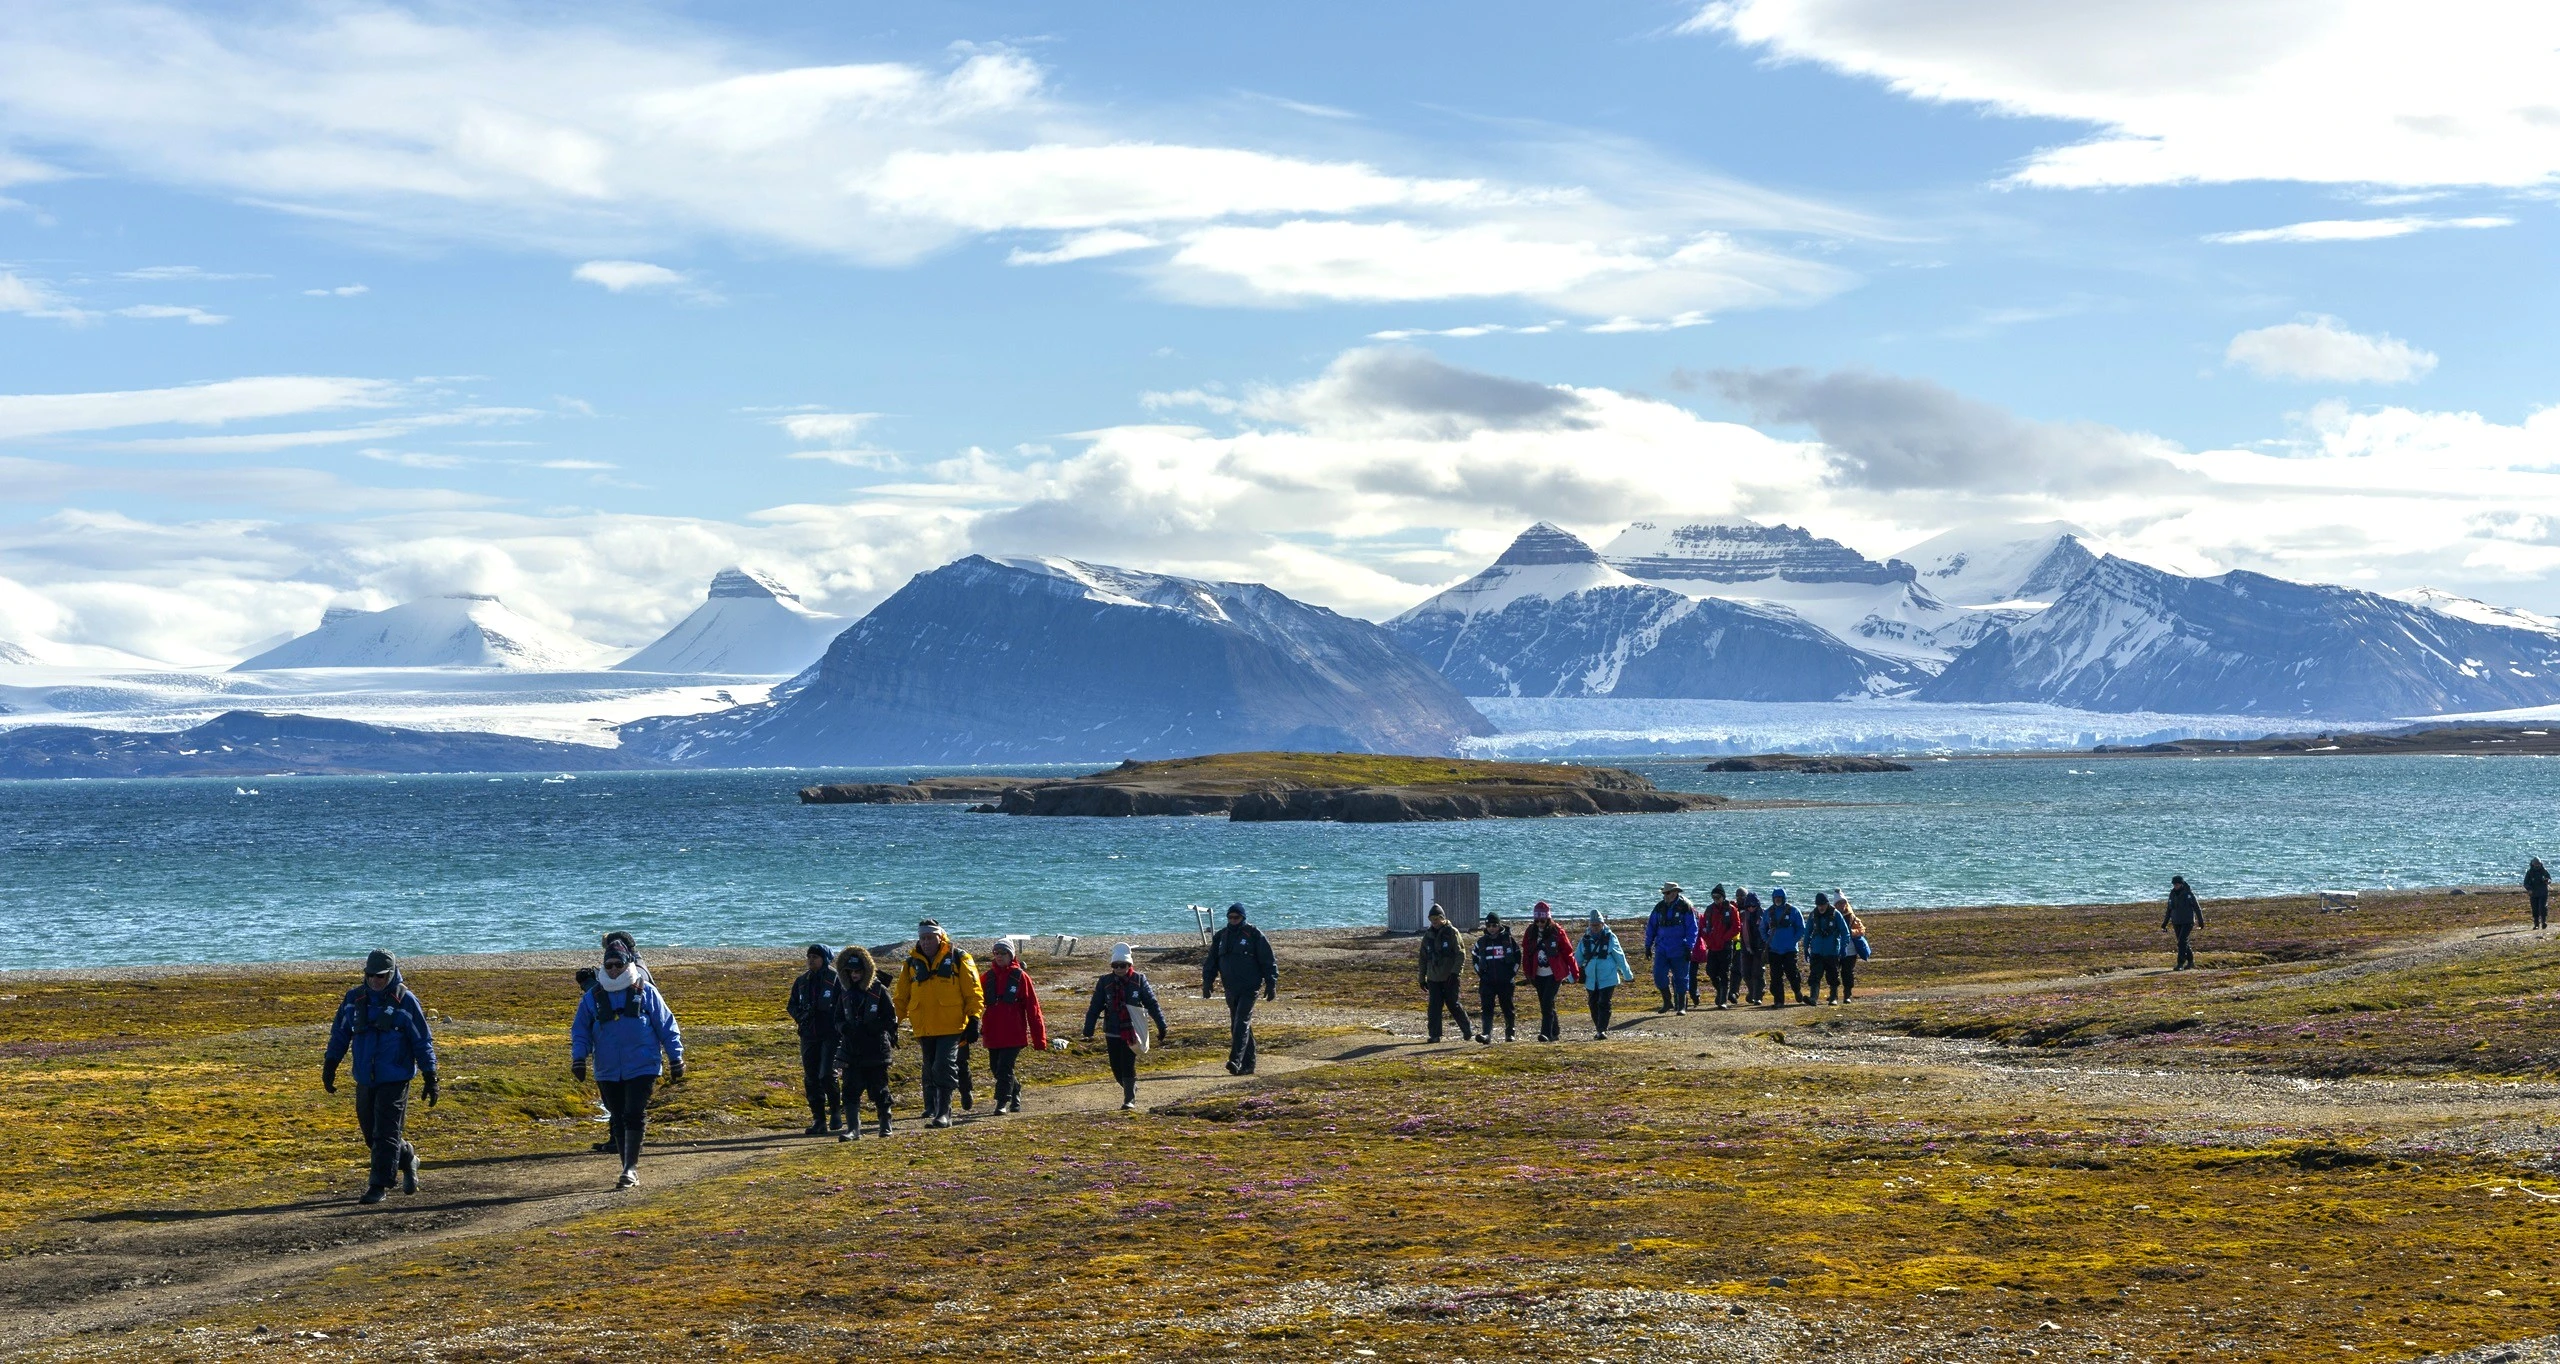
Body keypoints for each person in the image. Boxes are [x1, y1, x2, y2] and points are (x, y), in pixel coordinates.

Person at [323, 949, 438, 1205]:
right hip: (365, 1077)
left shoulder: (407, 1001)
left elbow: (422, 1041)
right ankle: (407, 1157)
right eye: (370, 975)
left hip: (395, 1077)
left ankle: (379, 1186)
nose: (375, 980)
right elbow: (340, 1034)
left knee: (385, 1134)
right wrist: (330, 1065)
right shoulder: (354, 999)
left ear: (392, 974)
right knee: (371, 1134)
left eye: (381, 976)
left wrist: (431, 1076)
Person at [571, 941, 683, 1189]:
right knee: (618, 1114)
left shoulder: (646, 991)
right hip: (607, 1068)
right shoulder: (592, 997)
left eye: (618, 965)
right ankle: (626, 1166)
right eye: (608, 965)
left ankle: (630, 1169)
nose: (612, 970)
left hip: (643, 1065)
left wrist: (676, 1057)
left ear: (627, 964)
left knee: (634, 1114)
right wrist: (579, 1058)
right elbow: (580, 1031)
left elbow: (666, 1025)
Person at [893, 919, 984, 1129]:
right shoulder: (910, 964)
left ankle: (944, 1113)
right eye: (922, 938)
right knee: (930, 1068)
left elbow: (973, 991)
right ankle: (934, 1107)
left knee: (943, 1065)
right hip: (923, 1027)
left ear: (940, 937)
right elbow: (901, 998)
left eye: (929, 938)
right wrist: (893, 1024)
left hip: (951, 1026)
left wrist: (974, 1019)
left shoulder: (959, 958)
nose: (925, 942)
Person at [1082, 944, 1168, 1110]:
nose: (1119, 969)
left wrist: (1161, 1025)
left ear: (1129, 965)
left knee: (1128, 1064)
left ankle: (1129, 1100)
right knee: (1116, 1067)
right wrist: (1088, 1028)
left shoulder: (1139, 980)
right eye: (1115, 966)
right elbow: (1095, 1006)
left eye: (1123, 965)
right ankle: (1131, 1088)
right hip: (1112, 1030)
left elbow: (1152, 1003)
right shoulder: (1104, 982)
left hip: (1132, 1030)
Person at [1201, 903, 1278, 1075]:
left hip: (1250, 987)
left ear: (1243, 918)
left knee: (1241, 1021)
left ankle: (1235, 1060)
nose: (1233, 920)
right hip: (1230, 988)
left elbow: (1268, 960)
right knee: (1238, 1024)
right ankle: (1248, 1065)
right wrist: (1207, 982)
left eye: (1236, 917)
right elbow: (1211, 962)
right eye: (1230, 917)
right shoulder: (1221, 936)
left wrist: (1271, 983)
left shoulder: (1253, 934)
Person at [832, 946, 898, 1140]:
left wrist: (874, 1028)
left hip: (876, 1049)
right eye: (851, 971)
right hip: (851, 1049)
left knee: (879, 1089)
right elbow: (837, 1018)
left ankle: (885, 1125)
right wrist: (844, 1028)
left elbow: (890, 1018)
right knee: (850, 1090)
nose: (854, 975)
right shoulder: (844, 993)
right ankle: (853, 1129)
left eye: (858, 971)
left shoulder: (879, 990)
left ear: (865, 971)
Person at [977, 939, 1047, 1115]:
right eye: (996, 953)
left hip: (1014, 1032)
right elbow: (975, 1001)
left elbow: (1033, 1009)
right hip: (993, 1031)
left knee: (1004, 1068)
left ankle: (1001, 1103)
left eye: (1003, 953)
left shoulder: (1021, 977)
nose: (999, 957)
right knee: (996, 1068)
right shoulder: (986, 977)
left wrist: (1039, 1039)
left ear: (1011, 955)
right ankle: (1015, 1090)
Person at [786, 944, 845, 1135]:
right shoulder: (802, 981)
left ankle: (835, 1110)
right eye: (809, 956)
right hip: (808, 1034)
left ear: (825, 958)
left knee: (827, 1074)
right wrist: (800, 1016)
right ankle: (818, 1119)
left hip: (830, 1034)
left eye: (815, 957)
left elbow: (844, 1004)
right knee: (811, 1078)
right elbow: (791, 1005)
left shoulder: (836, 979)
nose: (811, 960)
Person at [1520, 902, 1580, 1042]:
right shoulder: (1530, 932)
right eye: (1537, 921)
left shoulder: (1557, 931)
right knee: (1547, 1003)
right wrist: (1527, 972)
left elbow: (1568, 952)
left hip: (1555, 974)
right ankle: (1555, 1032)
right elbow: (1526, 954)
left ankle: (1545, 1033)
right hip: (1538, 975)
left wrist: (1575, 971)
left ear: (1548, 919)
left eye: (1542, 920)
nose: (1539, 923)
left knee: (1547, 1002)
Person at [1416, 904, 1474, 1043]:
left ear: (1443, 918)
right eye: (1432, 919)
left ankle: (1467, 1030)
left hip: (1449, 977)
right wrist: (1421, 978)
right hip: (1433, 978)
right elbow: (1423, 958)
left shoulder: (1452, 932)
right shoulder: (1428, 936)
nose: (1434, 922)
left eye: (1437, 918)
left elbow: (1461, 954)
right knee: (1434, 1007)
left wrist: (1455, 974)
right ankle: (1435, 1035)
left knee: (1453, 1004)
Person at [1643, 883, 1699, 1017]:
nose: (1665, 896)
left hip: (1680, 947)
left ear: (1674, 892)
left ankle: (1681, 1006)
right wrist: (1647, 945)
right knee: (1658, 974)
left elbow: (1692, 928)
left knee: (1681, 978)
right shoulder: (1659, 907)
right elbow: (1651, 926)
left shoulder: (1686, 907)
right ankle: (1667, 1001)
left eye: (1667, 893)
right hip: (1662, 948)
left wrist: (1689, 947)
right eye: (1664, 893)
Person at [1576, 911, 1634, 1039]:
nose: (1595, 927)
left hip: (1608, 977)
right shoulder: (1584, 939)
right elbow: (1577, 959)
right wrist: (1571, 976)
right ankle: (1599, 1028)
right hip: (1591, 978)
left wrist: (1627, 975)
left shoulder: (1611, 937)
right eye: (1593, 925)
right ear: (1590, 925)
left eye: (1597, 925)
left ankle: (1602, 1030)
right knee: (1593, 1004)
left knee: (1604, 1002)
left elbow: (1620, 957)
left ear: (1603, 924)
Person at [1471, 911, 1519, 1043]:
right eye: (1489, 925)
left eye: (1495, 925)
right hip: (1487, 982)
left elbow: (1517, 957)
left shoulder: (1508, 941)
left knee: (1507, 1007)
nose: (1492, 928)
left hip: (1505, 982)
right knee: (1487, 1008)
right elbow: (1474, 959)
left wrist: (1511, 974)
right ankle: (1486, 1034)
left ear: (1499, 925)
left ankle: (1510, 1033)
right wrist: (1481, 974)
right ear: (1486, 926)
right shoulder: (1481, 942)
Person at [1700, 885, 1744, 1010]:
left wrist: (1725, 938)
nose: (1715, 899)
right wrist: (1708, 939)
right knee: (1711, 971)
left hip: (1727, 946)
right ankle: (1720, 991)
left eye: (1718, 897)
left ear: (1723, 897)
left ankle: (1723, 999)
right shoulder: (1709, 910)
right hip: (1713, 946)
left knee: (1724, 972)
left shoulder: (1731, 910)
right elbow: (1703, 927)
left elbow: (1736, 927)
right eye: (1713, 897)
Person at [1762, 888, 1807, 1007]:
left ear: (1784, 898)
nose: (1777, 900)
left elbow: (1801, 928)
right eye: (1775, 897)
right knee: (1776, 976)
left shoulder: (1793, 911)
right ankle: (1779, 1001)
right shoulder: (1768, 912)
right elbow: (1762, 928)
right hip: (1774, 950)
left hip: (1790, 950)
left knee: (1792, 973)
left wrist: (1793, 941)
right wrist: (1768, 941)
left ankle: (1797, 990)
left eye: (1780, 898)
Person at [1805, 893, 1852, 1005]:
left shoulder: (1836, 915)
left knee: (1833, 976)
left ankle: (1833, 998)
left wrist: (1843, 947)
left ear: (1827, 904)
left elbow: (1845, 933)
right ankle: (1813, 998)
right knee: (1815, 975)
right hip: (1816, 951)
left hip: (1832, 952)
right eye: (1818, 905)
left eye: (1822, 904)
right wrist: (1806, 947)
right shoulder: (1813, 915)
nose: (1820, 907)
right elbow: (1807, 932)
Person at [1735, 888, 1768, 1005]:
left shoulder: (1764, 915)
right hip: (1746, 947)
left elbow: (1768, 931)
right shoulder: (1743, 915)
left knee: (1757, 972)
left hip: (1760, 947)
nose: (1751, 907)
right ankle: (1753, 992)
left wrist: (1765, 946)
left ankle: (1757, 996)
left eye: (1753, 905)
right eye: (1749, 905)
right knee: (1745, 973)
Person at [2164, 875, 2204, 970]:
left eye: (2177, 884)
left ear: (2181, 884)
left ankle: (2180, 963)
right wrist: (2164, 923)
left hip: (2187, 921)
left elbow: (2197, 908)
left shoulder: (2189, 894)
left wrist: (2201, 921)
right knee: (2183, 942)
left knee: (2182, 941)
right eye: (2174, 884)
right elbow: (2169, 909)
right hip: (2176, 921)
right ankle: (2190, 961)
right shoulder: (2172, 894)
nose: (2175, 886)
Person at [1837, 891, 1870, 1001]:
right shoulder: (1831, 915)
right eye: (1839, 903)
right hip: (1835, 949)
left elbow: (1862, 930)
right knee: (1834, 972)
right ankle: (1834, 994)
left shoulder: (1851, 917)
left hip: (1850, 950)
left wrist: (1851, 932)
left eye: (1843, 903)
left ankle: (1847, 994)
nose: (1842, 905)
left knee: (1847, 973)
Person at [2528, 858, 2551, 932]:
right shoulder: (2530, 872)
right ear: (2532, 864)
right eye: (2535, 864)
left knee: (2542, 907)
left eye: (2538, 864)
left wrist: (2547, 881)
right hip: (2533, 894)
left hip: (2543, 892)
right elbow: (2526, 882)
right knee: (2535, 909)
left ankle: (2544, 922)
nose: (2537, 865)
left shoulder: (2544, 871)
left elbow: (2549, 878)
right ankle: (2536, 924)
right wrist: (2529, 889)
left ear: (2541, 864)